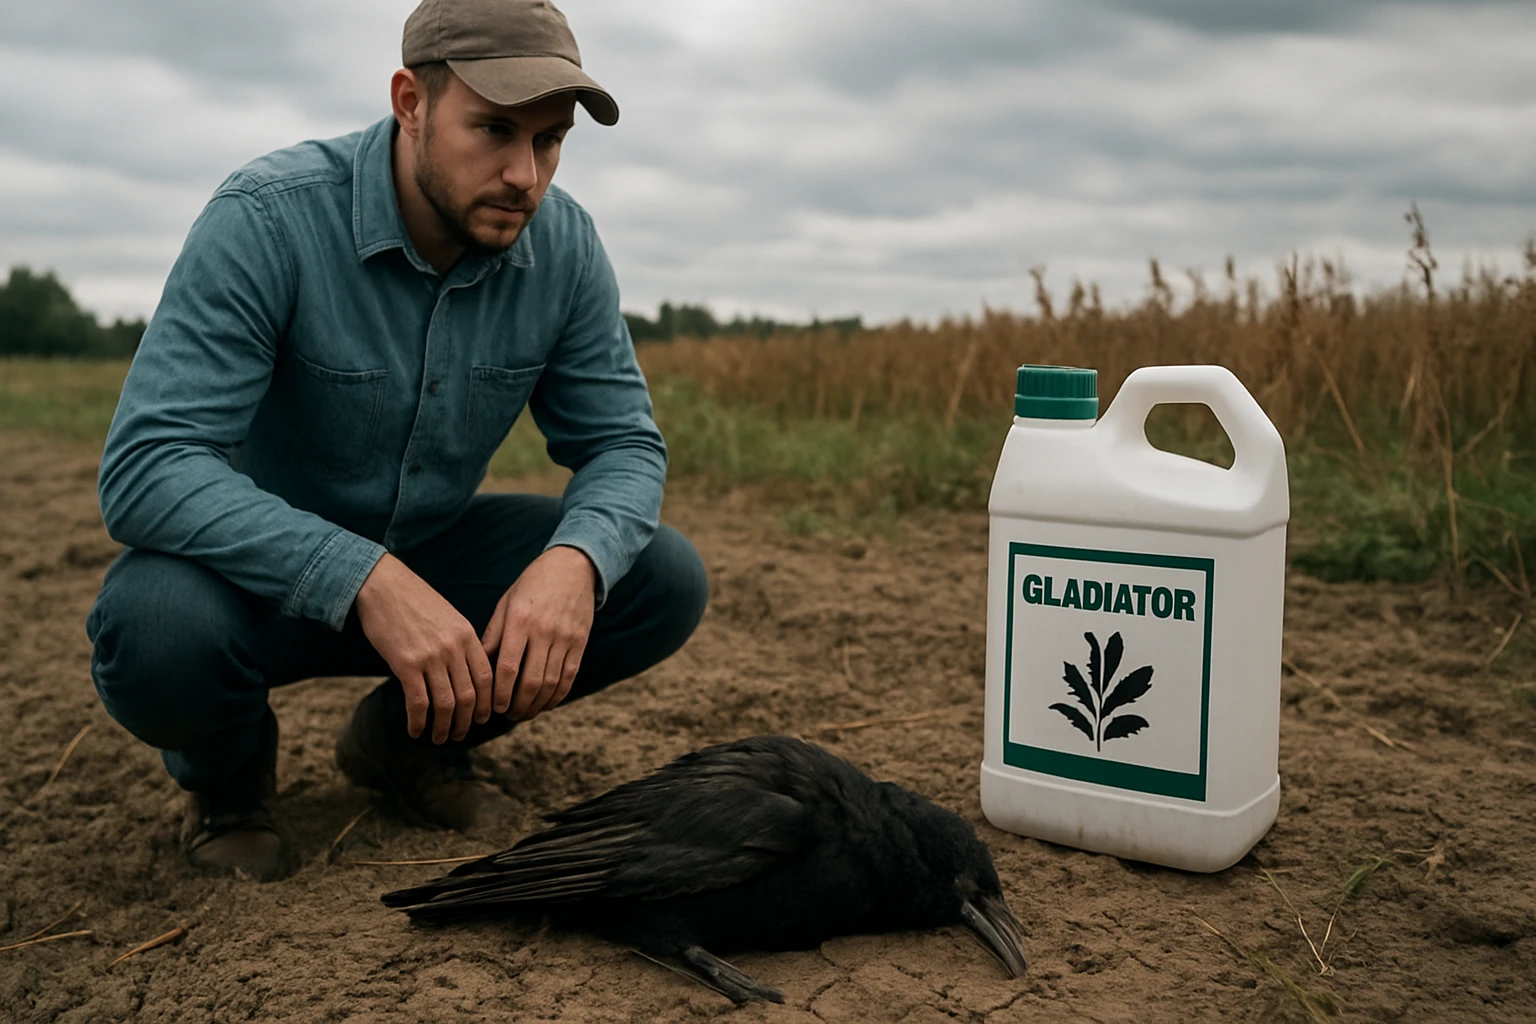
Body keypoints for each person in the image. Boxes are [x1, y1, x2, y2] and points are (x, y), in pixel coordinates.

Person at [83, 0, 708, 883]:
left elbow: (622, 445)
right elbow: (149, 466)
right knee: (155, 628)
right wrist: (363, 577)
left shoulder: (564, 246)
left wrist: (575, 562)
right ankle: (228, 783)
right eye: (493, 129)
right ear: (411, 102)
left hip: (434, 563)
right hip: (251, 585)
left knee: (654, 575)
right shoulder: (267, 218)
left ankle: (407, 742)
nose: (525, 175)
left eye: (550, 140)